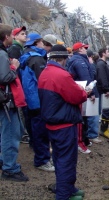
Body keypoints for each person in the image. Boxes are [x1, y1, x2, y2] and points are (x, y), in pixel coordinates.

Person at [38, 45, 87, 200]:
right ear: (63, 58)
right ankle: (63, 195)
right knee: (67, 160)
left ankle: (69, 189)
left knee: (60, 158)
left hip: (51, 123)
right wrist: (84, 91)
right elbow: (78, 97)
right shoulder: (61, 75)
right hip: (64, 124)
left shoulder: (45, 72)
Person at [19, 33, 55, 171]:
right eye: (41, 42)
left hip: (28, 99)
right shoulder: (37, 59)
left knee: (34, 129)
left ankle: (40, 154)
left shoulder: (25, 56)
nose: (43, 44)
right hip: (37, 101)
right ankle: (42, 160)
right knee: (41, 131)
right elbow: (43, 82)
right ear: (37, 43)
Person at [0, 23, 29, 182]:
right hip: (6, 101)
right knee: (11, 133)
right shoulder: (2, 54)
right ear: (6, 37)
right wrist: (14, 67)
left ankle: (6, 162)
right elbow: (4, 77)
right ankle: (10, 168)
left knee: (10, 131)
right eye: (11, 35)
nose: (13, 36)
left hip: (6, 100)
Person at [67, 42, 97, 153]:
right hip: (80, 92)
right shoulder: (79, 61)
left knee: (82, 118)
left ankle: (84, 139)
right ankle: (80, 143)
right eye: (84, 48)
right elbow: (86, 77)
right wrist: (92, 92)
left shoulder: (78, 60)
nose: (86, 50)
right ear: (79, 49)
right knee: (80, 119)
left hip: (79, 91)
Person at [7, 26, 30, 144]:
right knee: (18, 110)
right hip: (16, 83)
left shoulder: (19, 48)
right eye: (21, 34)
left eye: (25, 33)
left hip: (18, 82)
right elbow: (13, 68)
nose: (25, 35)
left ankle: (22, 133)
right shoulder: (15, 49)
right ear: (14, 36)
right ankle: (22, 134)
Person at [95, 48, 109, 139]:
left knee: (108, 109)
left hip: (107, 90)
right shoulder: (101, 64)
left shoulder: (103, 63)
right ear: (103, 53)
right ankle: (103, 129)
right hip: (105, 91)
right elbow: (102, 78)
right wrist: (106, 89)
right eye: (108, 52)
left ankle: (105, 128)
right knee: (106, 110)